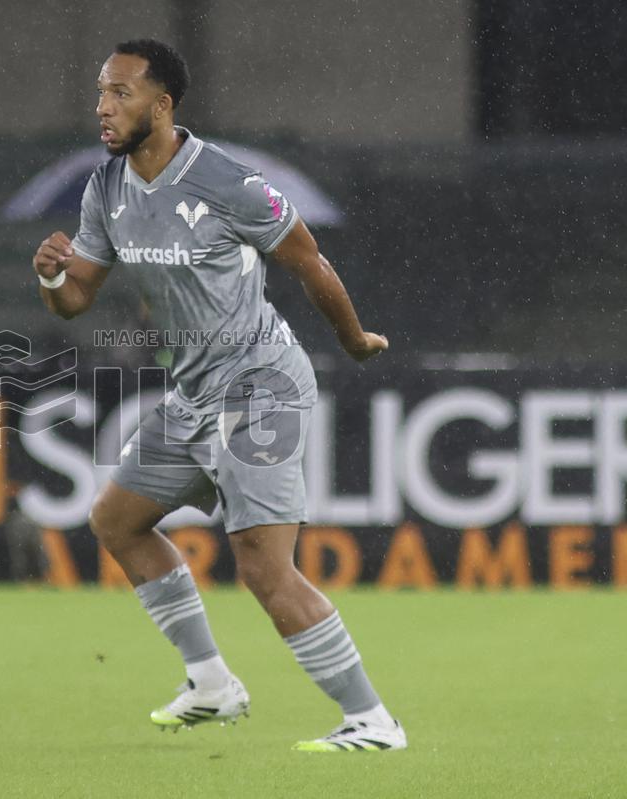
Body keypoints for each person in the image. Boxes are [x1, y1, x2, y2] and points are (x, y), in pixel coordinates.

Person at [31, 39, 405, 753]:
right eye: (101, 94)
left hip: (259, 386)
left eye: (121, 93)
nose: (104, 108)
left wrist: (353, 340)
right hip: (194, 392)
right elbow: (77, 298)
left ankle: (374, 721)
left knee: (266, 569)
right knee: (117, 520)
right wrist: (52, 276)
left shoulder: (229, 182)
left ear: (163, 104)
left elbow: (306, 258)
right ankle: (211, 683)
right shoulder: (105, 188)